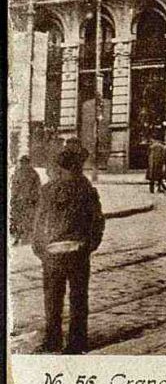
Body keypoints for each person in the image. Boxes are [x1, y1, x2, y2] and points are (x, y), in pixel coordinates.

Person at [32, 145, 105, 354]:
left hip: (53, 253)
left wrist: (40, 248)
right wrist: (89, 246)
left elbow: (38, 222)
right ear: (78, 167)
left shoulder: (48, 189)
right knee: (79, 298)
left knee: (52, 298)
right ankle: (77, 342)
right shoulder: (87, 190)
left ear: (60, 166)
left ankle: (53, 339)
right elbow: (97, 222)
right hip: (78, 253)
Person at [10, 155, 41, 245]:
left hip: (28, 201)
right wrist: (13, 197)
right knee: (16, 219)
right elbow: (14, 186)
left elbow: (37, 187)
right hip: (18, 200)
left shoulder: (33, 174)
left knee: (27, 220)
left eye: (25, 162)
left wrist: (33, 198)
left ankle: (26, 239)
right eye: (22, 162)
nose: (24, 164)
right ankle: (17, 237)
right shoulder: (17, 172)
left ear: (29, 163)